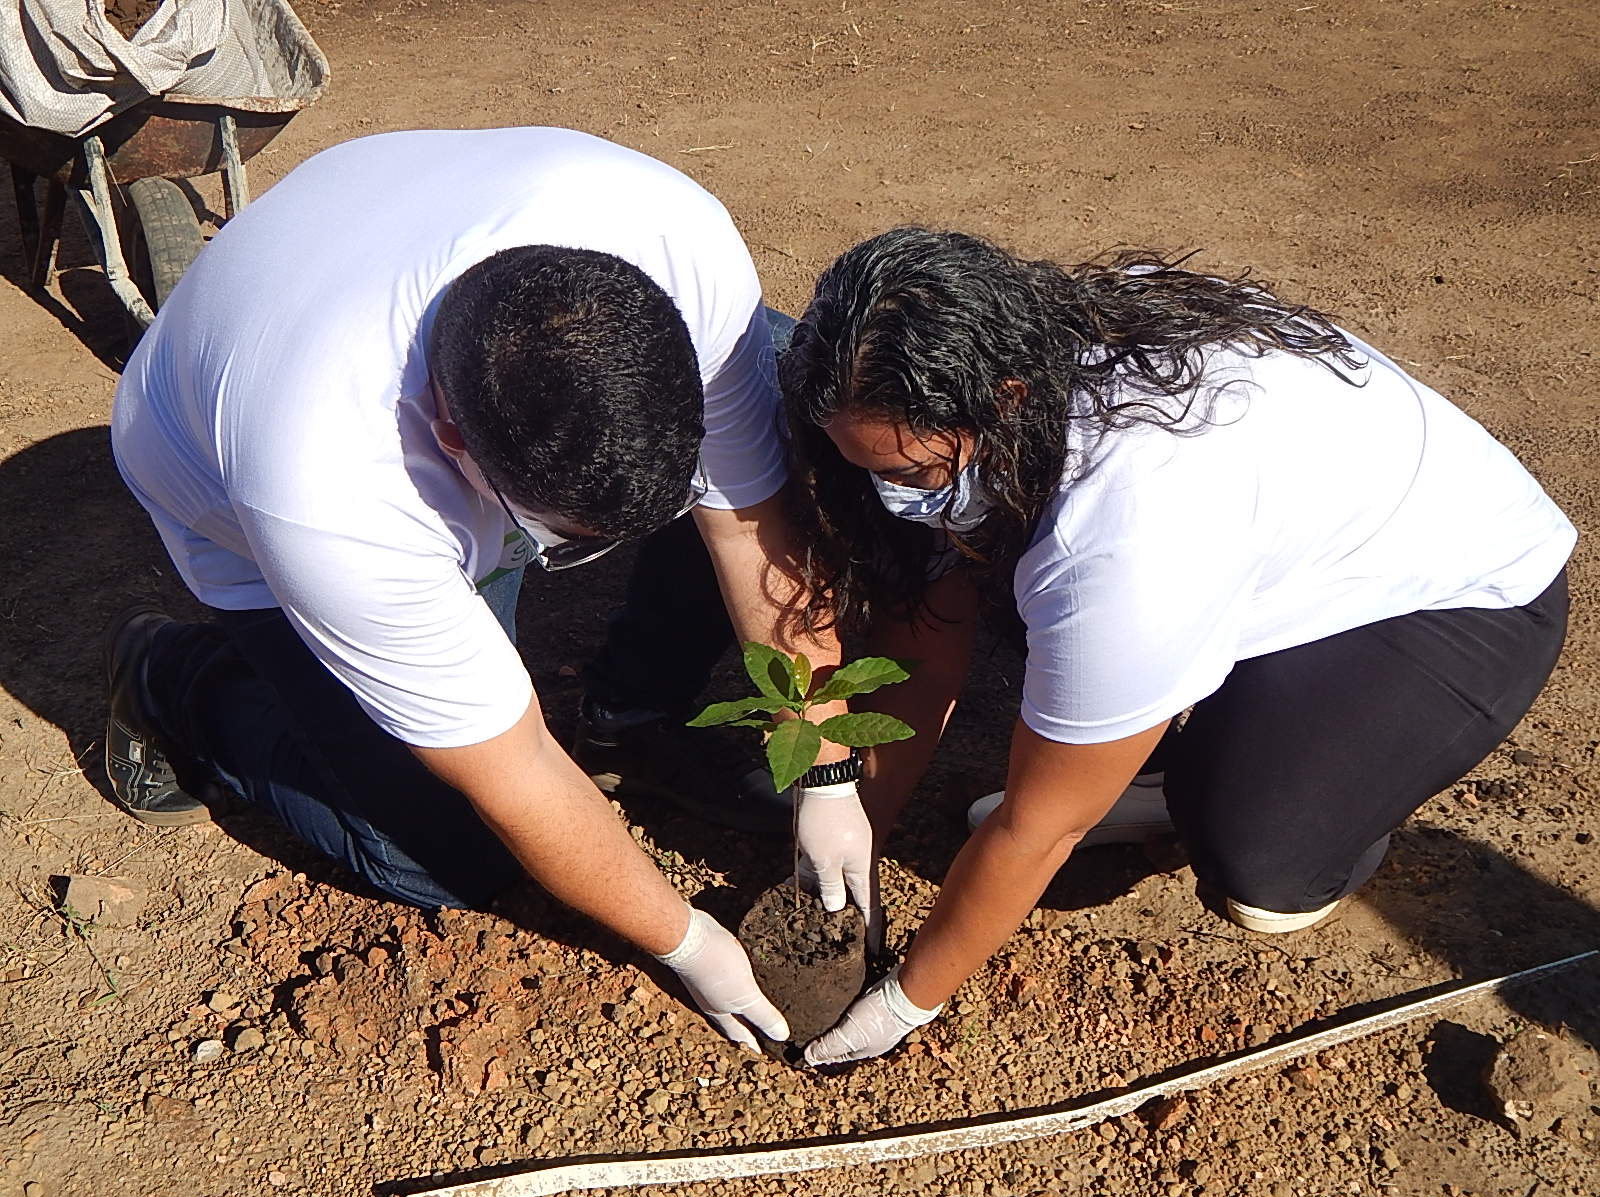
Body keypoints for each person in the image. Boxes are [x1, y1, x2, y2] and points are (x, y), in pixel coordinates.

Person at [103, 127, 875, 1050]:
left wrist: (826, 770)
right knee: (450, 854)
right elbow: (517, 774)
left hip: (363, 246)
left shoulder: (673, 239)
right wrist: (689, 940)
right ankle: (179, 676)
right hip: (217, 478)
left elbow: (756, 531)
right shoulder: (333, 497)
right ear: (459, 444)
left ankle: (631, 709)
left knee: (793, 393)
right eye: (573, 539)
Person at [778, 227, 1575, 1066]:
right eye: (869, 466)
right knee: (1011, 580)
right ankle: (1148, 748)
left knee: (1262, 867)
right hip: (1266, 540)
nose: (891, 494)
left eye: (914, 475)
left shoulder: (1126, 536)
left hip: (1449, 598)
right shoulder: (1019, 357)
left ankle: (1197, 789)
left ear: (1005, 397)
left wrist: (906, 999)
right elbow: (927, 625)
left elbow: (1035, 831)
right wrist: (857, 812)